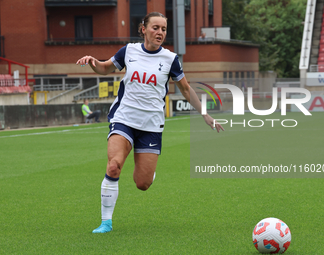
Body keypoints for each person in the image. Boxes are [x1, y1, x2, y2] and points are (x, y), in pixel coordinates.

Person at [76, 12, 224, 234]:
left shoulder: (170, 59)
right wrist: (93, 62)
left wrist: (205, 114)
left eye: (164, 29)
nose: (160, 33)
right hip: (124, 118)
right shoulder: (129, 51)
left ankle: (148, 171)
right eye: (155, 28)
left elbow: (185, 89)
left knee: (142, 184)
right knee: (114, 165)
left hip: (151, 126)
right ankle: (106, 222)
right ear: (143, 29)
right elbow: (106, 68)